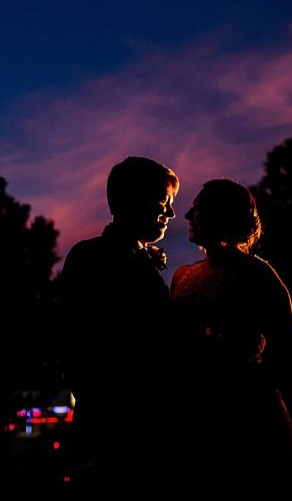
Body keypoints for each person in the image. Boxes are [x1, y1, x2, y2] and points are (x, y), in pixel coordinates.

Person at [169, 178, 292, 497]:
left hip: (250, 427)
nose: (187, 216)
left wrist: (233, 383)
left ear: (220, 215)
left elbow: (289, 362)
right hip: (194, 425)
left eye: (197, 209)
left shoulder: (258, 276)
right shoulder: (182, 276)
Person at [55, 156, 179, 493]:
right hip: (116, 425)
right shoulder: (91, 258)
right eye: (162, 204)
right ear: (130, 201)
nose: (170, 214)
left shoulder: (138, 260)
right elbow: (76, 342)